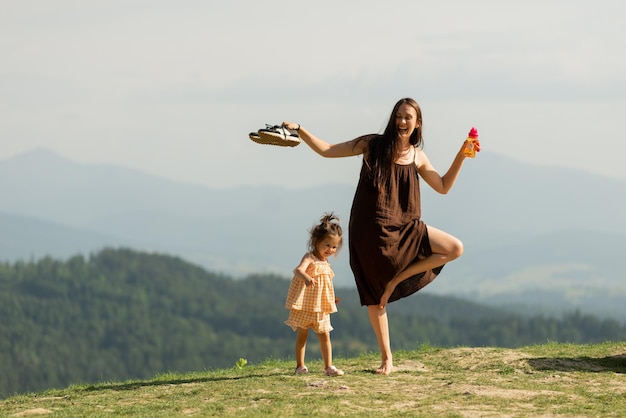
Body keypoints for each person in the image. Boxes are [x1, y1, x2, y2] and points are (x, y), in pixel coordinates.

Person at [282, 97, 480, 375]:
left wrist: (461, 154)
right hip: (371, 230)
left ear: (417, 123)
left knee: (454, 248)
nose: (401, 121)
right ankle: (387, 359)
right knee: (376, 298)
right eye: (398, 115)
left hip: (407, 227)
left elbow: (444, 186)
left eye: (407, 117)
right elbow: (327, 150)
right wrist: (300, 129)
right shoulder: (372, 145)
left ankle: (396, 280)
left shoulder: (418, 157)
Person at [284, 212, 345, 377]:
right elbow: (298, 270)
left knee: (325, 335)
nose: (330, 250)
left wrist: (330, 299)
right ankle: (300, 366)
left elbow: (325, 285)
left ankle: (328, 367)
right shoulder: (310, 258)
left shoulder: (326, 263)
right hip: (305, 306)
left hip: (320, 308)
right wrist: (306, 277)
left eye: (334, 247)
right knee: (302, 336)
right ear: (316, 241)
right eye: (327, 245)